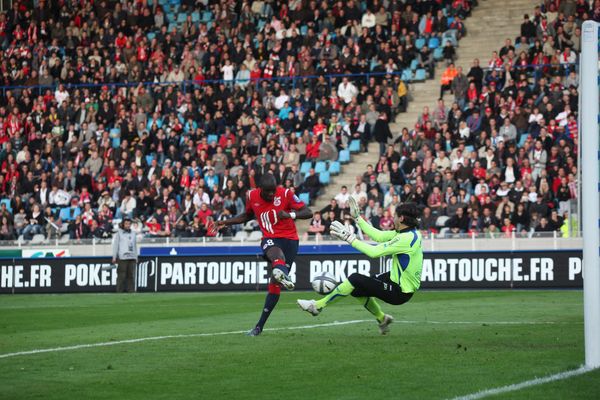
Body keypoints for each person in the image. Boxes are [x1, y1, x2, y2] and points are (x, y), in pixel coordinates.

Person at [297, 199, 423, 335]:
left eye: (395, 216)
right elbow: (379, 236)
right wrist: (357, 218)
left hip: (400, 292)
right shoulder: (408, 234)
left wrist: (349, 238)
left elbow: (374, 252)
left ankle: (317, 306)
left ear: (402, 218)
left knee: (355, 279)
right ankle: (382, 319)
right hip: (394, 280)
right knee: (357, 290)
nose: (393, 219)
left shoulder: (406, 239)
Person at [214, 174, 313, 336]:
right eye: (268, 192)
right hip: (270, 238)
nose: (272, 195)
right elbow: (247, 215)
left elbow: (307, 211)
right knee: (276, 255)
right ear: (260, 189)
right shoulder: (252, 196)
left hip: (290, 241)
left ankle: (260, 325)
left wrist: (290, 215)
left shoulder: (286, 193)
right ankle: (283, 274)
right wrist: (224, 222)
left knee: (274, 284)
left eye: (273, 191)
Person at [112, 217, 138, 293]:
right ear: (123, 224)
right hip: (122, 257)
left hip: (132, 257)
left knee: (131, 276)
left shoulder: (133, 233)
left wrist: (136, 256)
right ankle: (119, 291)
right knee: (121, 276)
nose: (128, 225)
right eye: (126, 224)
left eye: (129, 224)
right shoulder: (119, 233)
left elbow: (135, 245)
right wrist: (114, 257)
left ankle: (131, 291)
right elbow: (115, 246)